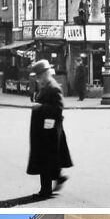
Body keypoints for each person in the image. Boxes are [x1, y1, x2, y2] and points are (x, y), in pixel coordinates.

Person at [26, 60, 73, 199]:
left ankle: (45, 190)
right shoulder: (45, 86)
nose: (37, 78)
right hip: (44, 130)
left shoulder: (53, 87)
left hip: (49, 132)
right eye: (37, 76)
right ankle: (56, 179)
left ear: (46, 73)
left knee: (45, 160)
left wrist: (40, 107)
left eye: (39, 75)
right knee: (47, 159)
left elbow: (58, 109)